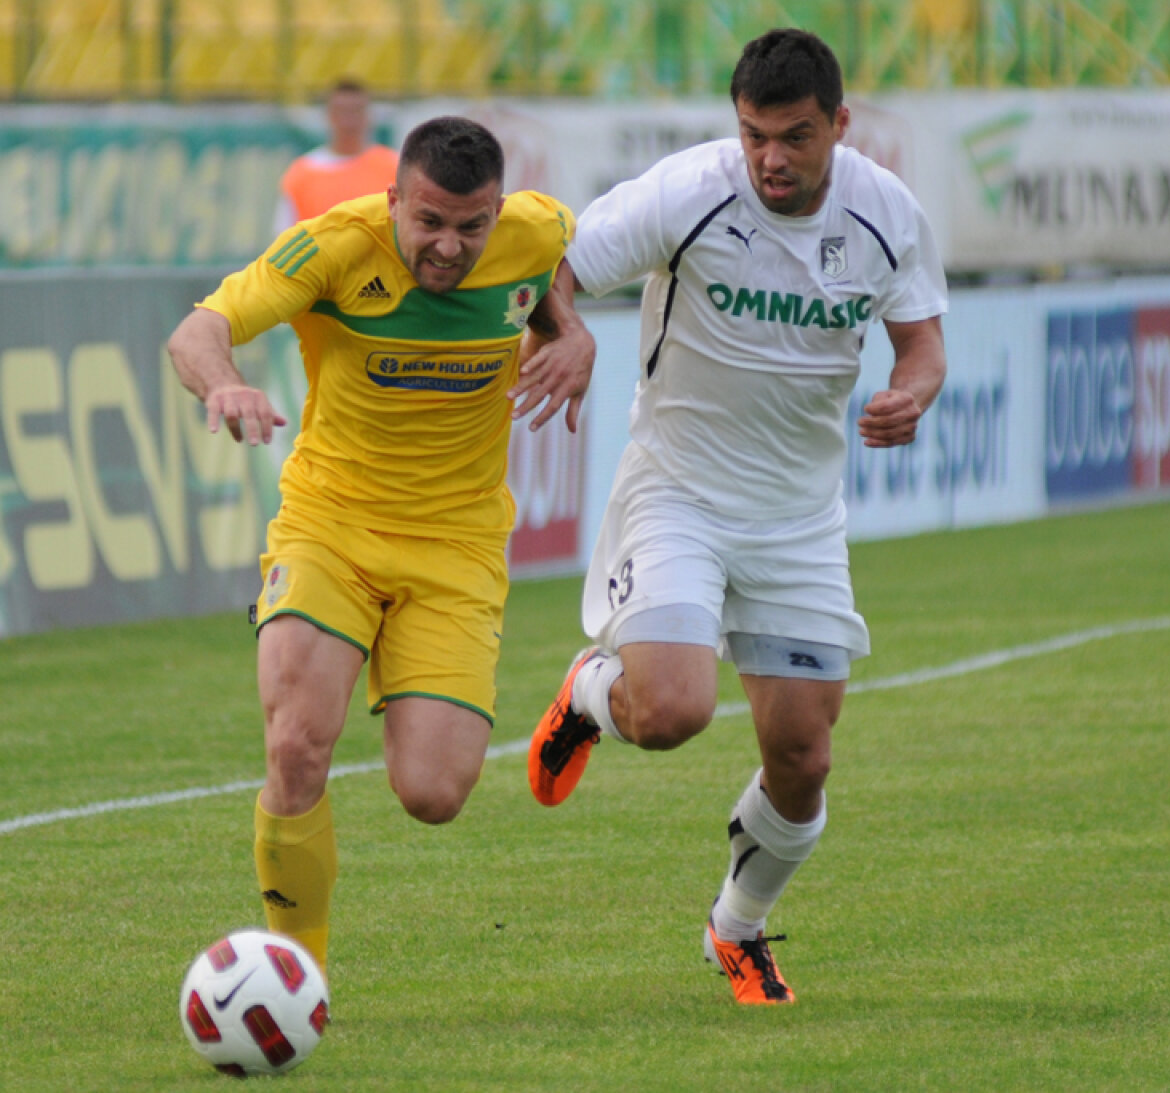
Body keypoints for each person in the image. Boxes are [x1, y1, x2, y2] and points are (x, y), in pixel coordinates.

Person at [527, 28, 948, 1005]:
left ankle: (737, 928)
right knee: (670, 710)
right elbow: (550, 266)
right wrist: (572, 330)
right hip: (678, 488)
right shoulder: (689, 191)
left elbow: (922, 343)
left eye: (796, 136)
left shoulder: (887, 214)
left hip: (798, 518)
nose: (771, 158)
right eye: (755, 133)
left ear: (841, 126)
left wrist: (914, 391)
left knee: (802, 757)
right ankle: (595, 691)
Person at [168, 115, 594, 977]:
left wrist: (571, 334)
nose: (449, 246)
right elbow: (197, 332)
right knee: (295, 744)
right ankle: (296, 973)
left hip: (458, 543)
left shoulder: (536, 229)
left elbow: (550, 281)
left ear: (498, 210)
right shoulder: (332, 246)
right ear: (393, 198)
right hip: (332, 526)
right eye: (428, 221)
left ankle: (584, 690)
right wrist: (228, 385)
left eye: (471, 226)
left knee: (434, 794)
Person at [273, 77, 400, 234]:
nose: (349, 121)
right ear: (329, 115)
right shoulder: (302, 173)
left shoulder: (393, 166)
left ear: (368, 115)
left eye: (356, 111)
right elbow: (285, 235)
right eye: (342, 111)